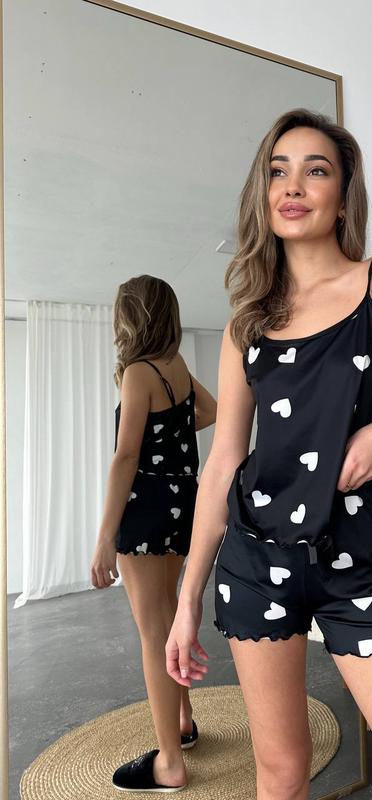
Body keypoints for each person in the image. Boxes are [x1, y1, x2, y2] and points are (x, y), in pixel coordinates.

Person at [167, 108, 372, 800]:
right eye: (278, 171)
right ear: (263, 194)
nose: (293, 185)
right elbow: (224, 462)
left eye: (315, 170)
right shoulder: (248, 320)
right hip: (256, 562)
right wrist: (187, 599)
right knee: (282, 774)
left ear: (343, 197)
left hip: (359, 563)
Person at [90, 275, 217, 792]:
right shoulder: (176, 366)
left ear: (130, 319)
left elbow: (125, 457)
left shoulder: (137, 373)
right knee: (170, 617)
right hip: (181, 502)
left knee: (153, 632)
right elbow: (209, 410)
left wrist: (105, 537)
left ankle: (169, 762)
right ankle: (183, 723)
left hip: (144, 508)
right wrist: (171, 439)